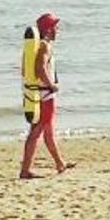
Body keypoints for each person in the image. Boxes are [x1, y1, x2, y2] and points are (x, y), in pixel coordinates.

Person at [19, 12, 70, 178]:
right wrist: (51, 85)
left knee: (47, 132)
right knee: (36, 132)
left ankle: (60, 164)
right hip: (45, 96)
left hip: (40, 94)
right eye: (55, 26)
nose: (57, 30)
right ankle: (25, 170)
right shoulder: (44, 46)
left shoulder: (38, 46)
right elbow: (40, 68)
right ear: (48, 29)